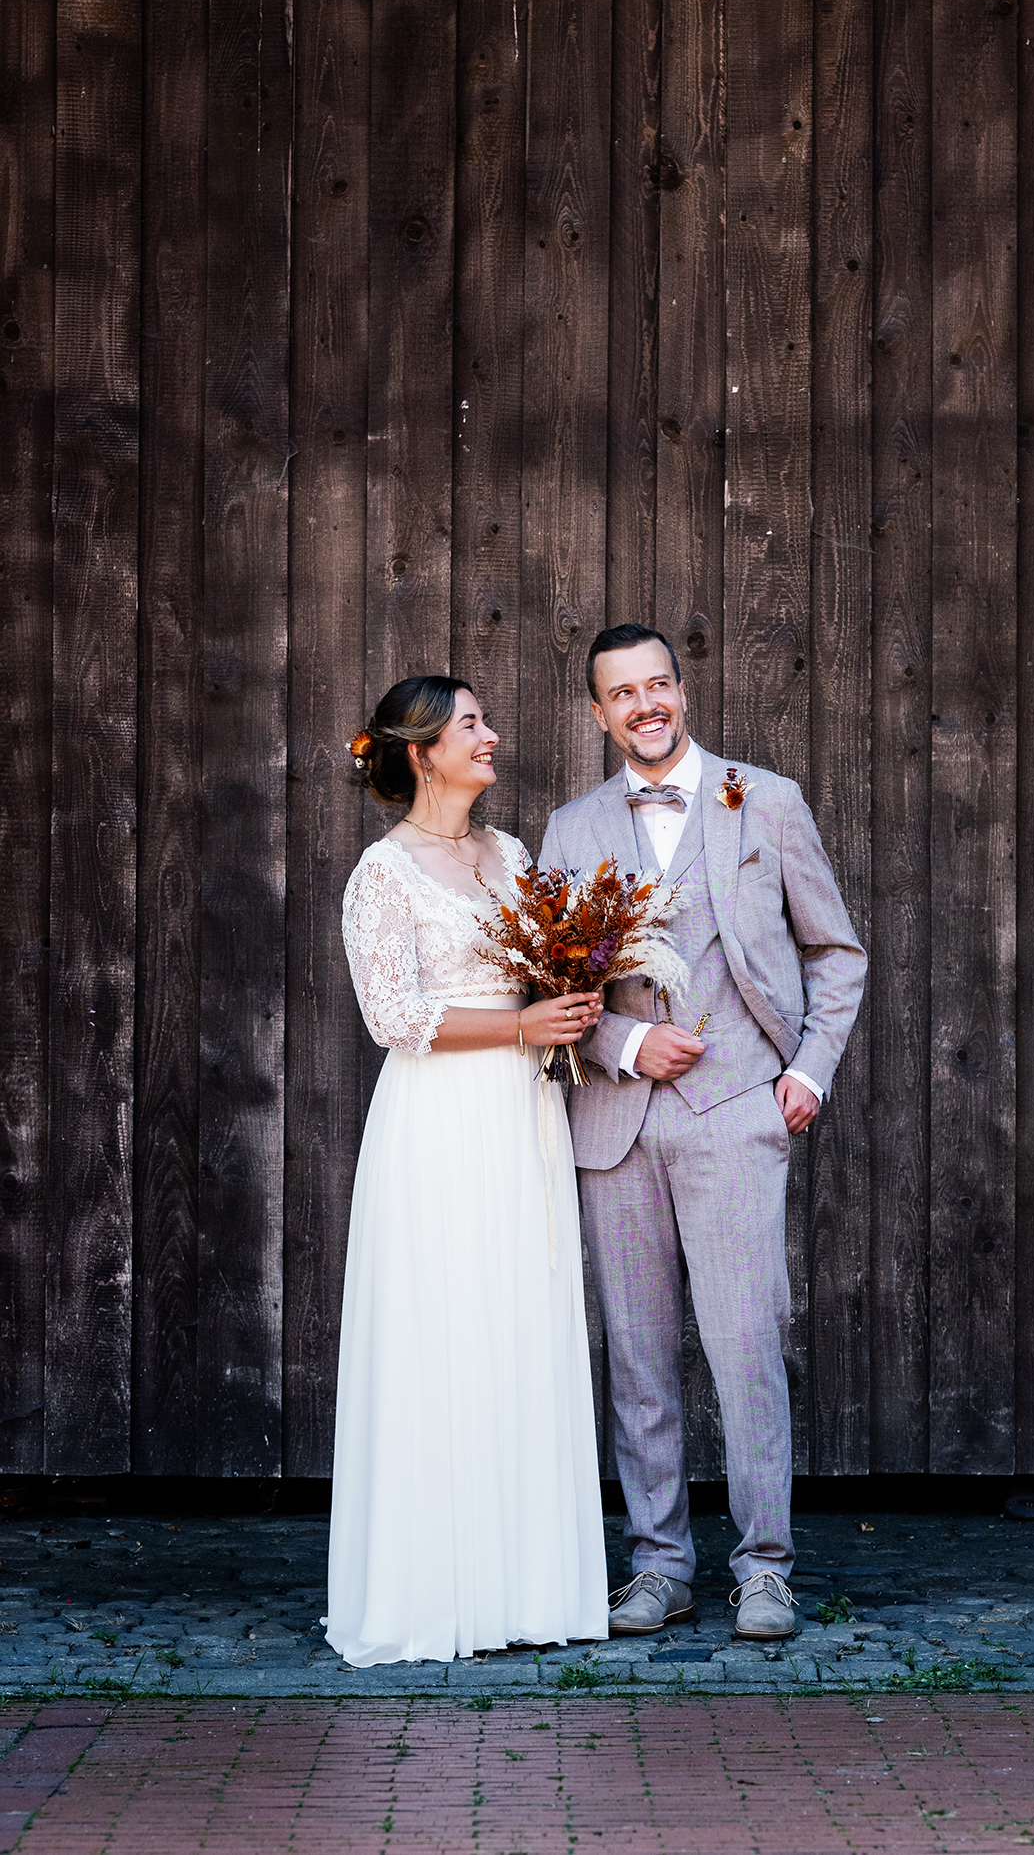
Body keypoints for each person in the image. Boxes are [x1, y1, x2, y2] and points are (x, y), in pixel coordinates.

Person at [539, 625, 866, 1642]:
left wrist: (807, 1070)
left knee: (745, 1345)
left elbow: (835, 951)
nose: (643, 704)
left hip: (737, 1113)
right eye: (620, 693)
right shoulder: (570, 826)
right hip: (616, 1123)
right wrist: (630, 1043)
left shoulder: (763, 798)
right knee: (637, 1355)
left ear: (681, 690)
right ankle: (658, 1564)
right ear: (599, 714)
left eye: (656, 685)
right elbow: (547, 988)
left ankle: (763, 1567)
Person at [325, 674, 608, 1665]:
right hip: (440, 1121)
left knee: (518, 1320)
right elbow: (395, 1018)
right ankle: (436, 1591)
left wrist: (569, 995)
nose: (492, 734)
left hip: (522, 1114)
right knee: (443, 1329)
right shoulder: (385, 873)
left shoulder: (513, 855)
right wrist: (521, 1021)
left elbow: (545, 969)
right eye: (472, 724)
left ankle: (528, 1588)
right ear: (421, 752)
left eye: (488, 717)